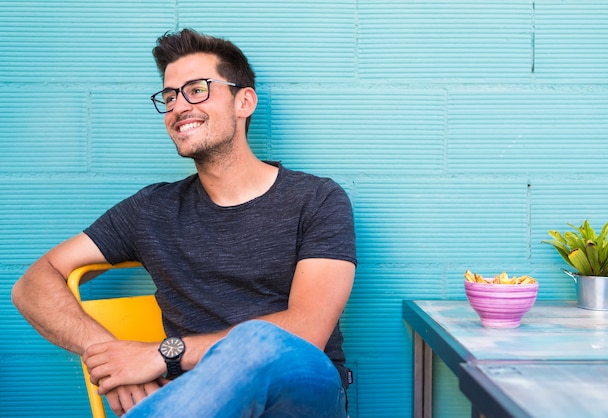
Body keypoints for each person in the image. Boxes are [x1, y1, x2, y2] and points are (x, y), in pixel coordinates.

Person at [12, 28, 357, 417]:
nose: (178, 107)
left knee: (258, 338)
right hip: (198, 400)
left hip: (303, 393)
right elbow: (33, 283)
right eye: (170, 96)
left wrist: (162, 356)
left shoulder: (317, 198)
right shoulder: (152, 209)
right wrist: (111, 355)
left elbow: (306, 330)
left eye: (197, 89)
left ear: (244, 102)